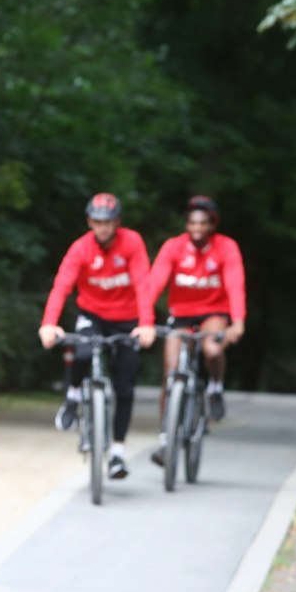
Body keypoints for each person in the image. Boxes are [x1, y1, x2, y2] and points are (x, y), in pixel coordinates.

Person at [37, 192, 154, 480]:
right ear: (89, 222)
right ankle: (73, 396)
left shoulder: (132, 243)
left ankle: (116, 452)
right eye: (98, 221)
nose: (103, 227)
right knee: (83, 352)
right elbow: (62, 286)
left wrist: (147, 323)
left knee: (125, 387)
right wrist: (49, 324)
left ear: (117, 223)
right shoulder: (80, 249)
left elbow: (143, 283)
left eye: (109, 222)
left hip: (127, 319)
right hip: (92, 315)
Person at [144, 195, 245, 464]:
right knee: (170, 372)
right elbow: (154, 283)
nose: (197, 229)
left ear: (212, 225)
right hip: (181, 316)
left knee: (212, 350)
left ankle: (214, 387)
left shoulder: (226, 247)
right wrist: (143, 318)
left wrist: (238, 321)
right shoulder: (173, 247)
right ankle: (166, 439)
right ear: (186, 224)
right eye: (192, 223)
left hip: (213, 312)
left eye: (202, 224)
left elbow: (235, 284)